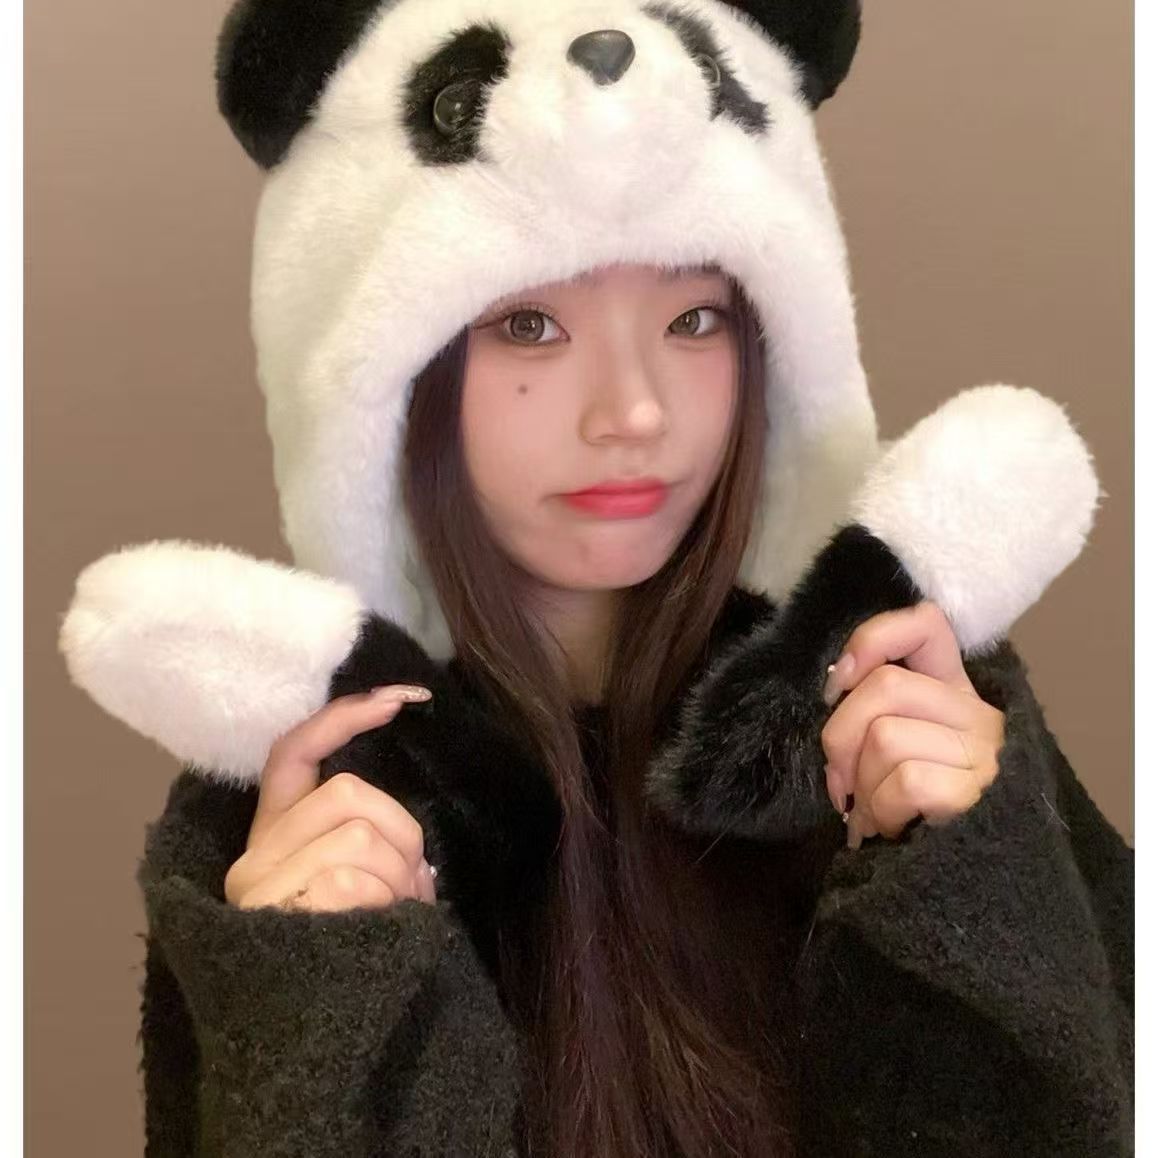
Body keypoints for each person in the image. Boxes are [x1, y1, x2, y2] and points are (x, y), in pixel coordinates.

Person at [133, 2, 1133, 1156]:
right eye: (529, 326)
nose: (635, 412)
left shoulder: (919, 708)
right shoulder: (296, 825)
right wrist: (325, 997)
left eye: (693, 318)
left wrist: (973, 876)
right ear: (385, 377)